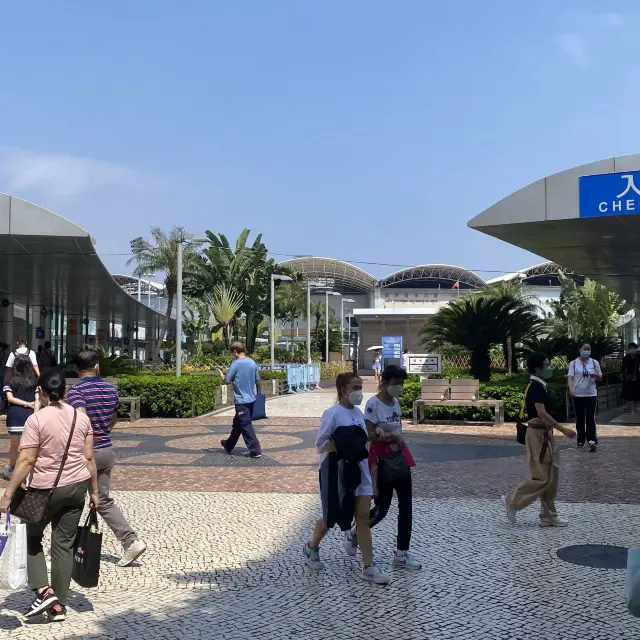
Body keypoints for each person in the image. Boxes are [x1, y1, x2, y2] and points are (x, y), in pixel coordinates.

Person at [0, 368, 99, 622]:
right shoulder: (81, 419)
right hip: (76, 487)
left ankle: (45, 592)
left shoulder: (37, 420)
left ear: (41, 392)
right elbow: (89, 459)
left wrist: (8, 493)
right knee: (63, 545)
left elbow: (26, 460)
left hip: (44, 490)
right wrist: (95, 492)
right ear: (64, 391)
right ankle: (60, 605)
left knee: (32, 539)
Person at [303, 372, 391, 584]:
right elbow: (320, 445)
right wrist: (344, 447)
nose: (359, 392)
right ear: (342, 389)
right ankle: (311, 547)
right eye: (355, 387)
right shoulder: (331, 414)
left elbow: (363, 442)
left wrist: (375, 433)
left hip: (360, 471)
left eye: (360, 387)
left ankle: (369, 567)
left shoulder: (358, 414)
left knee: (362, 518)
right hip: (337, 471)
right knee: (330, 517)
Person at [67, 349, 147, 567]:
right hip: (106, 449)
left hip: (85, 453)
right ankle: (130, 541)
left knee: (71, 499)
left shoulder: (75, 392)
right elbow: (113, 419)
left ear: (76, 369)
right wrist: (102, 431)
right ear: (97, 366)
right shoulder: (109, 390)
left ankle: (65, 546)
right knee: (102, 500)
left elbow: (81, 421)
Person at [355, 365, 421, 569]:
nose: (399, 388)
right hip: (382, 461)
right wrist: (388, 435)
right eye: (395, 384)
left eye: (401, 384)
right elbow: (369, 434)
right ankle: (356, 530)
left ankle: (402, 552)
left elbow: (397, 427)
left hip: (400, 458)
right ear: (384, 383)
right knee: (382, 508)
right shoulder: (373, 405)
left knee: (406, 506)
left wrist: (395, 437)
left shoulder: (396, 404)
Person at [502, 352, 576, 527]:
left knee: (552, 475)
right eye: (547, 365)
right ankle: (512, 499)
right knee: (542, 476)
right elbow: (541, 413)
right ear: (538, 368)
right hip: (537, 436)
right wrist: (563, 429)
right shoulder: (536, 387)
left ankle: (549, 515)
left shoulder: (540, 385)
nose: (550, 368)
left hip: (545, 435)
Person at [219, 341, 263, 459]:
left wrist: (222, 376)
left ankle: (255, 450)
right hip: (251, 399)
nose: (232, 355)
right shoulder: (252, 362)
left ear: (235, 351)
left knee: (245, 424)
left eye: (232, 352)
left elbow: (227, 381)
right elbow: (257, 380)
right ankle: (228, 445)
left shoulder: (236, 363)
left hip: (241, 400)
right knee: (238, 423)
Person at [1, 357, 40, 480]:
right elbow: (38, 399)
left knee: (14, 445)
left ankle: (12, 467)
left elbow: (10, 398)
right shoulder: (35, 382)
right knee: (30, 446)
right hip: (30, 416)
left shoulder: (10, 381)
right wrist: (35, 412)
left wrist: (26, 404)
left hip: (15, 415)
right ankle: (29, 470)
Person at [567, 342, 602, 452]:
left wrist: (595, 375)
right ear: (579, 349)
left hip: (591, 394)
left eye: (589, 349)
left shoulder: (594, 362)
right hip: (578, 394)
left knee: (590, 417)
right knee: (580, 417)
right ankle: (581, 439)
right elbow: (570, 378)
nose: (587, 351)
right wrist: (571, 390)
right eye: (585, 349)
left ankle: (592, 440)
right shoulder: (573, 363)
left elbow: (600, 377)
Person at [621, 343, 640, 411]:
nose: (632, 350)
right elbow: (623, 368)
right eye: (631, 348)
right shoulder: (625, 358)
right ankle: (628, 405)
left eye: (633, 348)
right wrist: (623, 375)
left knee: (637, 391)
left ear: (636, 349)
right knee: (628, 391)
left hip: (637, 377)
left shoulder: (638, 357)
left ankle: (635, 406)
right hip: (628, 377)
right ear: (629, 349)